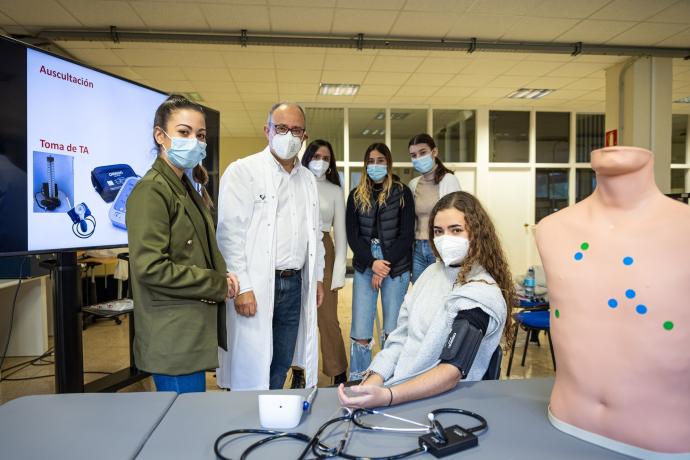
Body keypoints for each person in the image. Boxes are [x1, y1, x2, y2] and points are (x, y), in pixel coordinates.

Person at [338, 191, 514, 408]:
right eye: (438, 231)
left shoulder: (480, 293)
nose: (445, 239)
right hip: (398, 388)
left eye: (456, 230)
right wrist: (375, 380)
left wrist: (390, 396)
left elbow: (451, 371)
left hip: (439, 402)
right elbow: (400, 337)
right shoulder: (431, 273)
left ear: (477, 233)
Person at [126, 94, 238, 394]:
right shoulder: (151, 190)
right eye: (184, 132)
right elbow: (151, 268)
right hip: (172, 338)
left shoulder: (184, 186)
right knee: (182, 429)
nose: (195, 141)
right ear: (160, 135)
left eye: (200, 135)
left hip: (188, 331)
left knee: (187, 423)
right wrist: (216, 283)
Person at [216, 102, 325, 391]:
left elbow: (315, 235)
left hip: (294, 283)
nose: (289, 135)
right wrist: (243, 286)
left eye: (296, 130)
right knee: (252, 362)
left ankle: (274, 411)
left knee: (281, 359)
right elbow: (229, 234)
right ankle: (249, 418)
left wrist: (317, 277)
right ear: (267, 130)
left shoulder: (308, 180)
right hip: (259, 284)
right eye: (281, 128)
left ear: (304, 136)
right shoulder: (243, 171)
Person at [346, 143, 414, 381]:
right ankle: (359, 379)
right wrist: (372, 263)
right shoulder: (355, 195)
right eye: (371, 160)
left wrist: (384, 265)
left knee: (392, 329)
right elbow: (352, 236)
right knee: (361, 328)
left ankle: (389, 377)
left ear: (389, 163)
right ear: (365, 164)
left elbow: (406, 235)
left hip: (396, 265)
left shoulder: (402, 192)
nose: (376, 165)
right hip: (366, 264)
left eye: (380, 160)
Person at [290, 140, 348, 387]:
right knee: (296, 315)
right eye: (316, 155)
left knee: (327, 317)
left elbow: (342, 234)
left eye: (326, 157)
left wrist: (338, 275)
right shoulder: (296, 181)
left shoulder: (334, 190)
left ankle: (337, 370)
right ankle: (299, 370)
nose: (320, 161)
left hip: (325, 248)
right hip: (296, 248)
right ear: (307, 157)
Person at [407, 133, 461, 283]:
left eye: (422, 152)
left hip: (439, 247)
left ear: (434, 152)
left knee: (442, 291)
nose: (418, 158)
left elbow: (457, 217)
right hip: (418, 247)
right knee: (420, 293)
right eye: (413, 155)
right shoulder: (413, 184)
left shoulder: (449, 180)